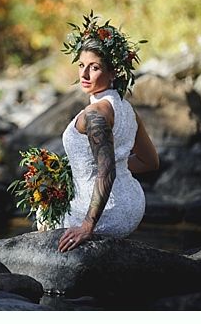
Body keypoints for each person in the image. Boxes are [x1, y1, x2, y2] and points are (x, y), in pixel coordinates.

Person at [54, 13, 159, 253]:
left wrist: (87, 226)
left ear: (114, 73)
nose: (84, 75)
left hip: (105, 213)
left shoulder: (95, 114)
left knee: (44, 215)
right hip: (133, 206)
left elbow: (106, 170)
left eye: (95, 67)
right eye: (81, 65)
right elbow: (150, 162)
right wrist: (118, 168)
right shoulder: (127, 109)